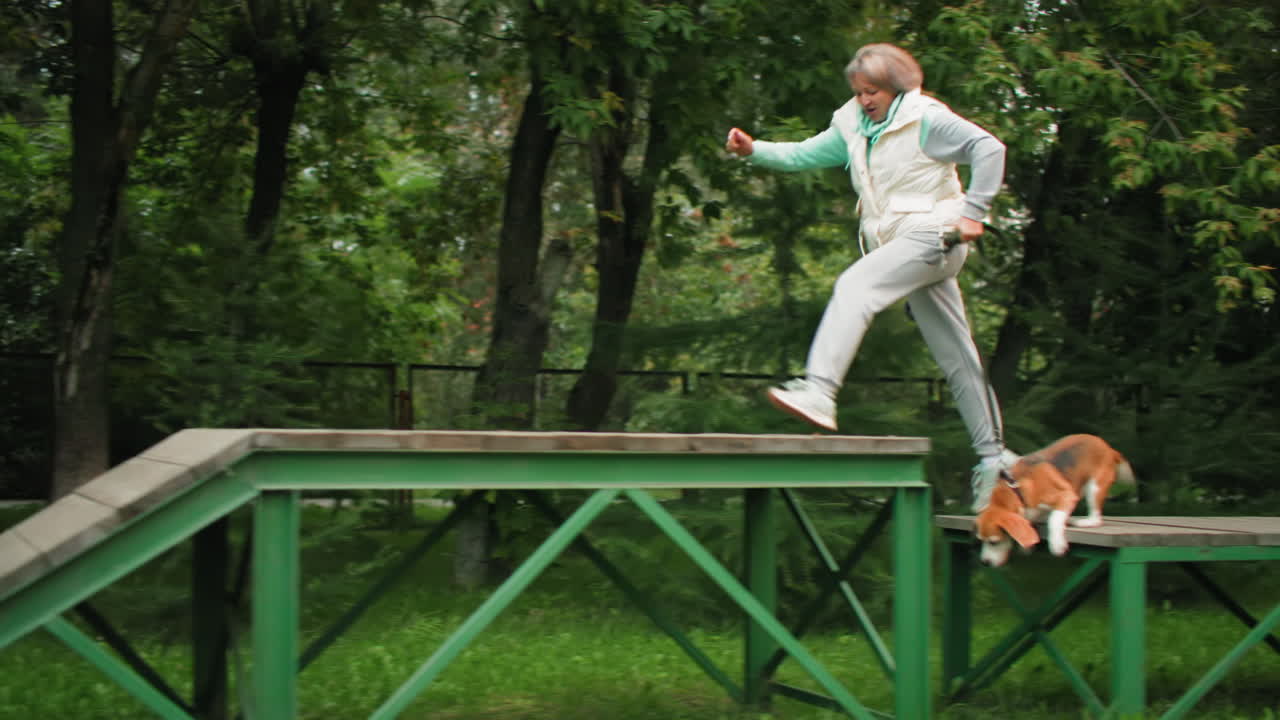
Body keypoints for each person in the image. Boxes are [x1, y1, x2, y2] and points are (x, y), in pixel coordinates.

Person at [724, 43, 1017, 511]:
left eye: (873, 91)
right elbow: (802, 154)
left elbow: (989, 148)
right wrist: (753, 149)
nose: (865, 100)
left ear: (897, 88)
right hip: (902, 246)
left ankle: (820, 391)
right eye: (860, 91)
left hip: (935, 235)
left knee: (855, 286)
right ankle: (994, 459)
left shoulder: (926, 119)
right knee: (957, 355)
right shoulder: (853, 125)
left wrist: (975, 213)